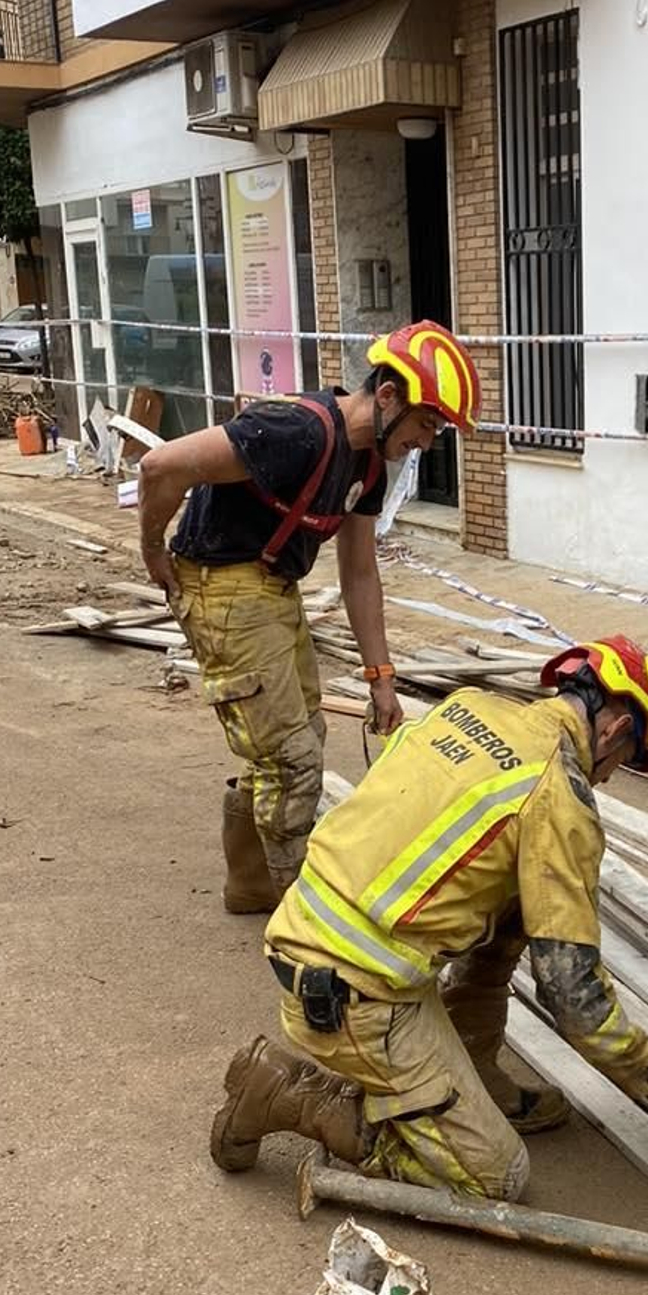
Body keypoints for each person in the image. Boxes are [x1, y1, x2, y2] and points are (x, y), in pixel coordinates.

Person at [207, 637, 648, 1200]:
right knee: (496, 1176)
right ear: (614, 730)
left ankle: (472, 1070)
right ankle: (288, 1093)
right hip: (353, 995)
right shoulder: (557, 796)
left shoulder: (469, 706)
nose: (611, 777)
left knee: (519, 903)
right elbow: (574, 998)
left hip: (310, 933)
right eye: (624, 760)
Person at [138, 322, 480, 913]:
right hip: (223, 584)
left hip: (273, 586)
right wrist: (151, 548)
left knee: (299, 738)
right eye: (427, 424)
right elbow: (159, 466)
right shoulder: (296, 431)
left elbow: (360, 572)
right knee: (291, 759)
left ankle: (250, 884)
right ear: (388, 396)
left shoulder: (368, 464)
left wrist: (381, 678)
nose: (427, 442)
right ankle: (303, 921)